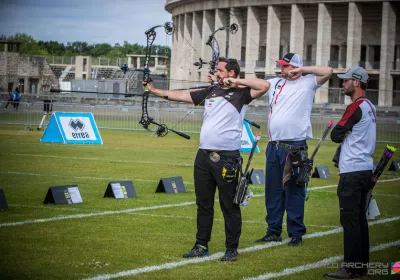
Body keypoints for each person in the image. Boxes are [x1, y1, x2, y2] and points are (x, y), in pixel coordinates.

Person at [143, 57, 269, 261]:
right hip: (203, 156)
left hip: (226, 158)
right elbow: (182, 95)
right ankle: (201, 245)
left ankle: (231, 248)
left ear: (231, 72)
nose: (216, 73)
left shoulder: (242, 93)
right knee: (204, 204)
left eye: (220, 70)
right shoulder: (210, 91)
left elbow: (265, 85)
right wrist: (155, 91)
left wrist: (237, 82)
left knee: (229, 205)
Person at [255, 53, 333, 246]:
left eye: (286, 66)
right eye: (281, 66)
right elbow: (256, 83)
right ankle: (273, 230)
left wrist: (303, 70)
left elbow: (328, 71)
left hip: (295, 147)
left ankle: (296, 233)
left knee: (294, 190)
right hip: (274, 147)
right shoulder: (276, 83)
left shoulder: (308, 82)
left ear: (295, 67)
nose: (282, 70)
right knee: (273, 191)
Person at [324, 66, 376, 279]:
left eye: (346, 81)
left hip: (353, 171)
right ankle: (361, 265)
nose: (343, 84)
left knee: (350, 220)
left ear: (356, 82)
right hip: (364, 169)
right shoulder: (370, 105)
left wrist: (341, 132)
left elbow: (336, 134)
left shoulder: (356, 105)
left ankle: (351, 267)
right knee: (359, 219)